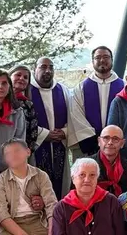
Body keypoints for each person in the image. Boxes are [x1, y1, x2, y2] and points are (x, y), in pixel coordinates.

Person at [30, 57, 76, 199]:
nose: (48, 71)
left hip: (59, 146)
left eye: (51, 67)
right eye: (43, 67)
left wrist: (65, 132)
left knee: (59, 185)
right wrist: (44, 134)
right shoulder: (27, 91)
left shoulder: (62, 90)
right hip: (36, 147)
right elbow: (22, 121)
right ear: (34, 69)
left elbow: (74, 116)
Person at [0, 138, 58, 235]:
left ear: (28, 152)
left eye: (17, 151)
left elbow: (51, 205)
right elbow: (0, 213)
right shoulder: (0, 181)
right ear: (5, 159)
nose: (13, 156)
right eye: (8, 154)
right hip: (12, 223)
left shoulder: (41, 175)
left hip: (37, 220)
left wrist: (52, 230)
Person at [71, 46, 125, 156]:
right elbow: (76, 114)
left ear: (111, 60)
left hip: (116, 143)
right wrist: (94, 138)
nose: (102, 60)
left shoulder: (123, 86)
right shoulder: (81, 87)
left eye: (106, 57)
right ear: (92, 61)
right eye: (98, 57)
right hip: (91, 143)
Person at [51, 158, 127, 235]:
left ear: (97, 178)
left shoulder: (111, 202)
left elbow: (120, 232)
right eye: (82, 175)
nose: (87, 179)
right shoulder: (61, 208)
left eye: (92, 175)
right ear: (73, 179)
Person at [88, 125, 127, 196]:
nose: (110, 142)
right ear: (99, 141)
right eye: (106, 138)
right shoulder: (86, 165)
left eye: (115, 139)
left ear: (122, 144)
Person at [9, 65, 39, 153]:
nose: (21, 78)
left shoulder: (28, 104)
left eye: (26, 77)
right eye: (18, 75)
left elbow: (33, 132)